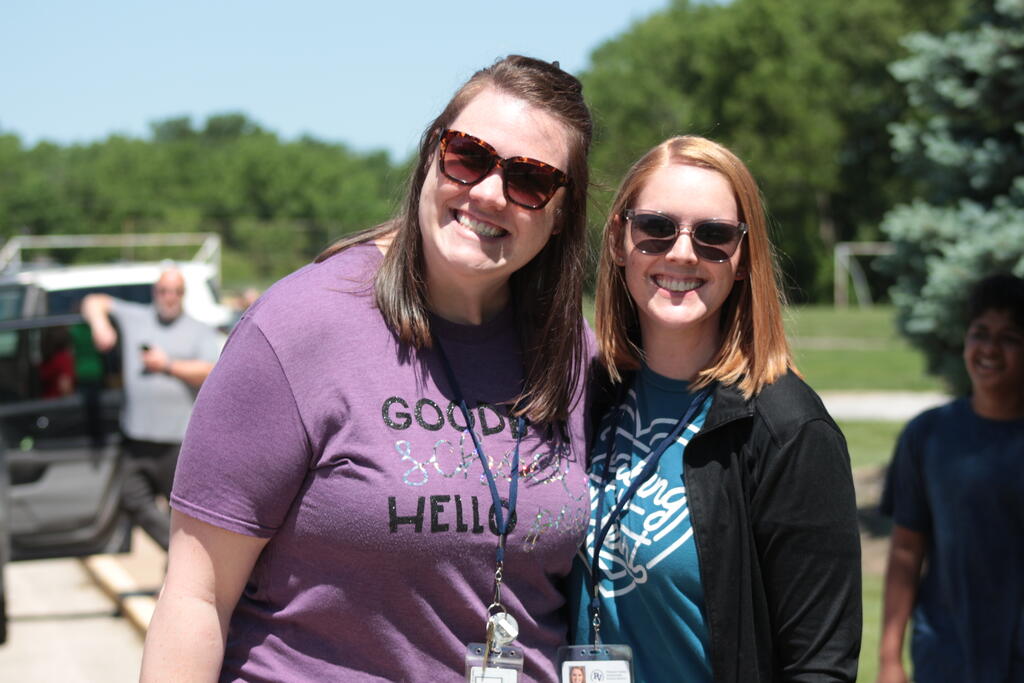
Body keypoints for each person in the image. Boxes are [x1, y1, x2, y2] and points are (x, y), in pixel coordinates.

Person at [141, 55, 594, 681]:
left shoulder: (571, 356)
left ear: (561, 213)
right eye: (468, 155)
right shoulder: (299, 327)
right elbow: (195, 597)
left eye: (531, 179)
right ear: (431, 155)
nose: (489, 192)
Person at [569, 136, 862, 682]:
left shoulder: (789, 430)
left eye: (714, 236)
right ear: (618, 241)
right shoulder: (588, 396)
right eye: (656, 227)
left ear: (743, 259)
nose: (682, 253)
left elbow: (820, 666)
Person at [877, 273, 1024, 683]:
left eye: (1010, 337)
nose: (990, 348)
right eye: (980, 333)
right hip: (946, 656)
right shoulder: (928, 435)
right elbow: (906, 550)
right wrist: (889, 659)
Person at [82, 268, 220, 550]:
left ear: (183, 295)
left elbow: (210, 371)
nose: (169, 297)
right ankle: (173, 551)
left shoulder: (199, 330)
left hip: (178, 442)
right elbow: (93, 301)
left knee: (182, 513)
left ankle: (177, 566)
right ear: (154, 292)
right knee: (130, 498)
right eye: (164, 291)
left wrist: (167, 365)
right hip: (137, 438)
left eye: (176, 292)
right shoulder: (136, 317)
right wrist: (100, 326)